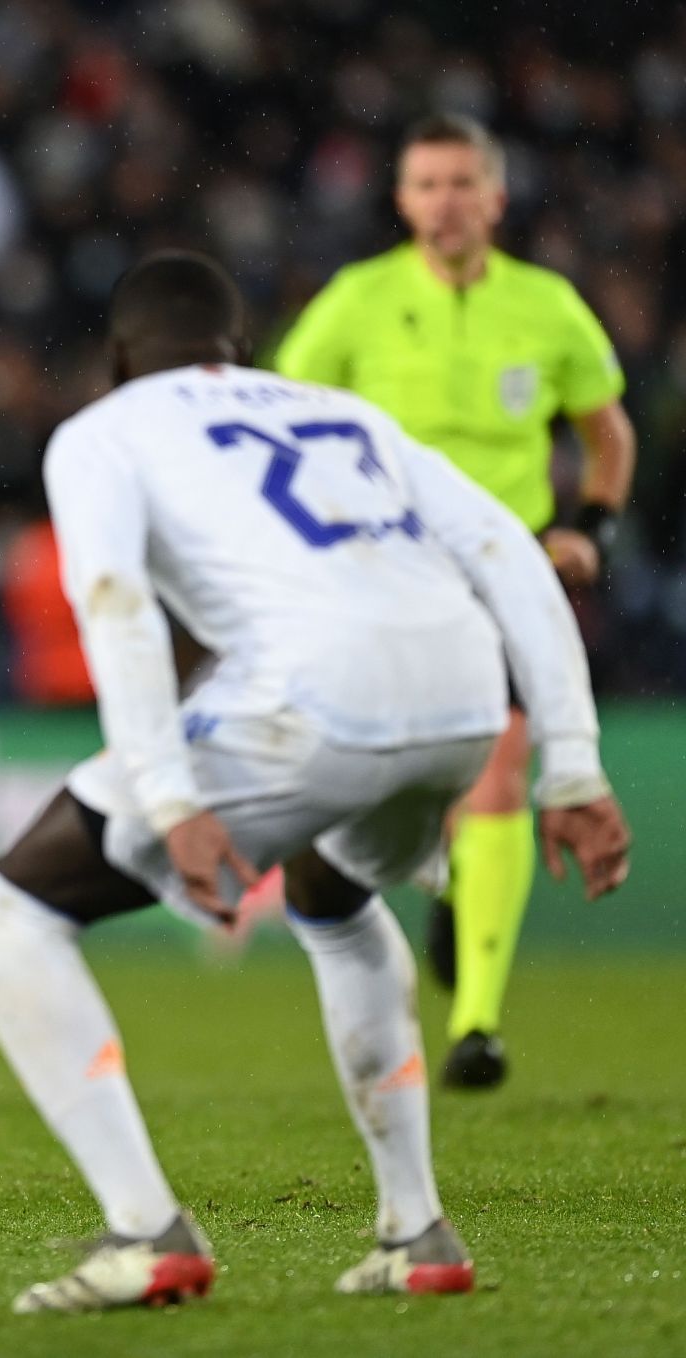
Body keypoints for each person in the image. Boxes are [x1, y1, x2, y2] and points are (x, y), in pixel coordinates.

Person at [0, 251, 629, 1313]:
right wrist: (575, 761)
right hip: (465, 690)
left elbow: (115, 602)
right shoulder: (343, 413)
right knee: (333, 887)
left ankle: (147, 1232)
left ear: (123, 358)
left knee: (14, 904)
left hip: (318, 693)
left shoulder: (106, 428)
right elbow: (511, 549)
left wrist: (171, 796)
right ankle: (416, 1229)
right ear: (239, 349)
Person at [274, 113, 636, 1087]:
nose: (445, 202)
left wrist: (589, 529)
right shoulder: (357, 302)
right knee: (408, 776)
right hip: (388, 577)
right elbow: (281, 422)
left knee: (505, 763)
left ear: (496, 196)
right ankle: (450, 871)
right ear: (400, 200)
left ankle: (476, 1022)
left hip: (505, 568)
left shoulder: (547, 306)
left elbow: (609, 435)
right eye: (427, 184)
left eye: (462, 183)